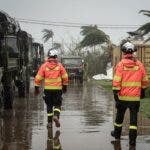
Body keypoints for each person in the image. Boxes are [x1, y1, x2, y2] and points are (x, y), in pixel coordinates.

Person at [111, 41, 149, 146]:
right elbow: (145, 81)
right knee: (133, 121)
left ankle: (117, 135)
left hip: (122, 98)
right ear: (133, 52)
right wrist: (142, 91)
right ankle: (132, 141)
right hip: (135, 99)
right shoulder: (139, 65)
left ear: (123, 53)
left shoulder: (120, 65)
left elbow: (116, 81)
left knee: (119, 118)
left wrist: (115, 94)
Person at [34, 49, 69, 128]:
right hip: (57, 89)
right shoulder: (59, 66)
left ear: (49, 56)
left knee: (49, 106)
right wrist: (65, 87)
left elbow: (38, 78)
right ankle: (56, 116)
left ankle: (49, 123)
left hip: (48, 90)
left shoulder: (44, 66)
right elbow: (65, 77)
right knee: (58, 104)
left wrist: (36, 88)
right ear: (56, 56)